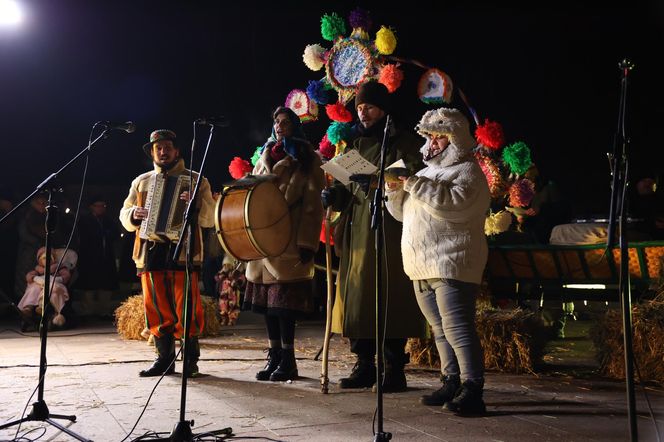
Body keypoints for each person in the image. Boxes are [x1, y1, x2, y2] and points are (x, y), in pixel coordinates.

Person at [321, 81, 428, 392]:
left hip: (389, 227)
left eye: (367, 106)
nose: (362, 112)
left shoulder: (403, 142)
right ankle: (364, 363)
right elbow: (344, 191)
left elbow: (410, 175)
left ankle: (394, 366)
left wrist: (377, 180)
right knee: (358, 295)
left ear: (383, 108)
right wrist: (333, 196)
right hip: (357, 231)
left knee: (388, 292)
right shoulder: (353, 147)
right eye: (358, 108)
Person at [385, 107, 490, 415]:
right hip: (422, 263)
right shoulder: (427, 172)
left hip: (452, 260)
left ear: (454, 139)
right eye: (429, 137)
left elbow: (453, 206)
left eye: (438, 137)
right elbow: (405, 214)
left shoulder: (468, 171)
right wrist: (394, 193)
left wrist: (413, 185)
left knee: (458, 327)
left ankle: (473, 387)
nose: (431, 143)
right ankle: (451, 379)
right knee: (439, 328)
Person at [119, 129, 216, 378]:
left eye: (167, 147)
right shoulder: (141, 181)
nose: (163, 151)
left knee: (187, 306)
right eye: (158, 147)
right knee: (156, 306)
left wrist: (196, 205)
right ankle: (164, 359)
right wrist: (133, 215)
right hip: (151, 250)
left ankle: (191, 360)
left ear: (176, 151)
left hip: (184, 250)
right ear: (152, 152)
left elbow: (210, 218)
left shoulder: (196, 180)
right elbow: (125, 213)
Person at [242, 106, 325, 382]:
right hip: (262, 241)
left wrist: (307, 243)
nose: (280, 126)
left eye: (286, 121)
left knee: (284, 306)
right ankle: (274, 355)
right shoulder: (263, 157)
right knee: (267, 305)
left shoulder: (307, 158)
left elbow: (314, 205)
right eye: (276, 121)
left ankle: (289, 360)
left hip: (289, 240)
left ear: (295, 126)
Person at [75, 196, 120, 318]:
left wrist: (107, 235)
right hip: (90, 257)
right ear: (92, 207)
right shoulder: (85, 220)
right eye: (98, 206)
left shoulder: (108, 220)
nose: (100, 208)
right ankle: (89, 310)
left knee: (106, 284)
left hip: (106, 257)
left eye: (103, 206)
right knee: (89, 284)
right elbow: (83, 236)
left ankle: (104, 310)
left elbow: (115, 233)